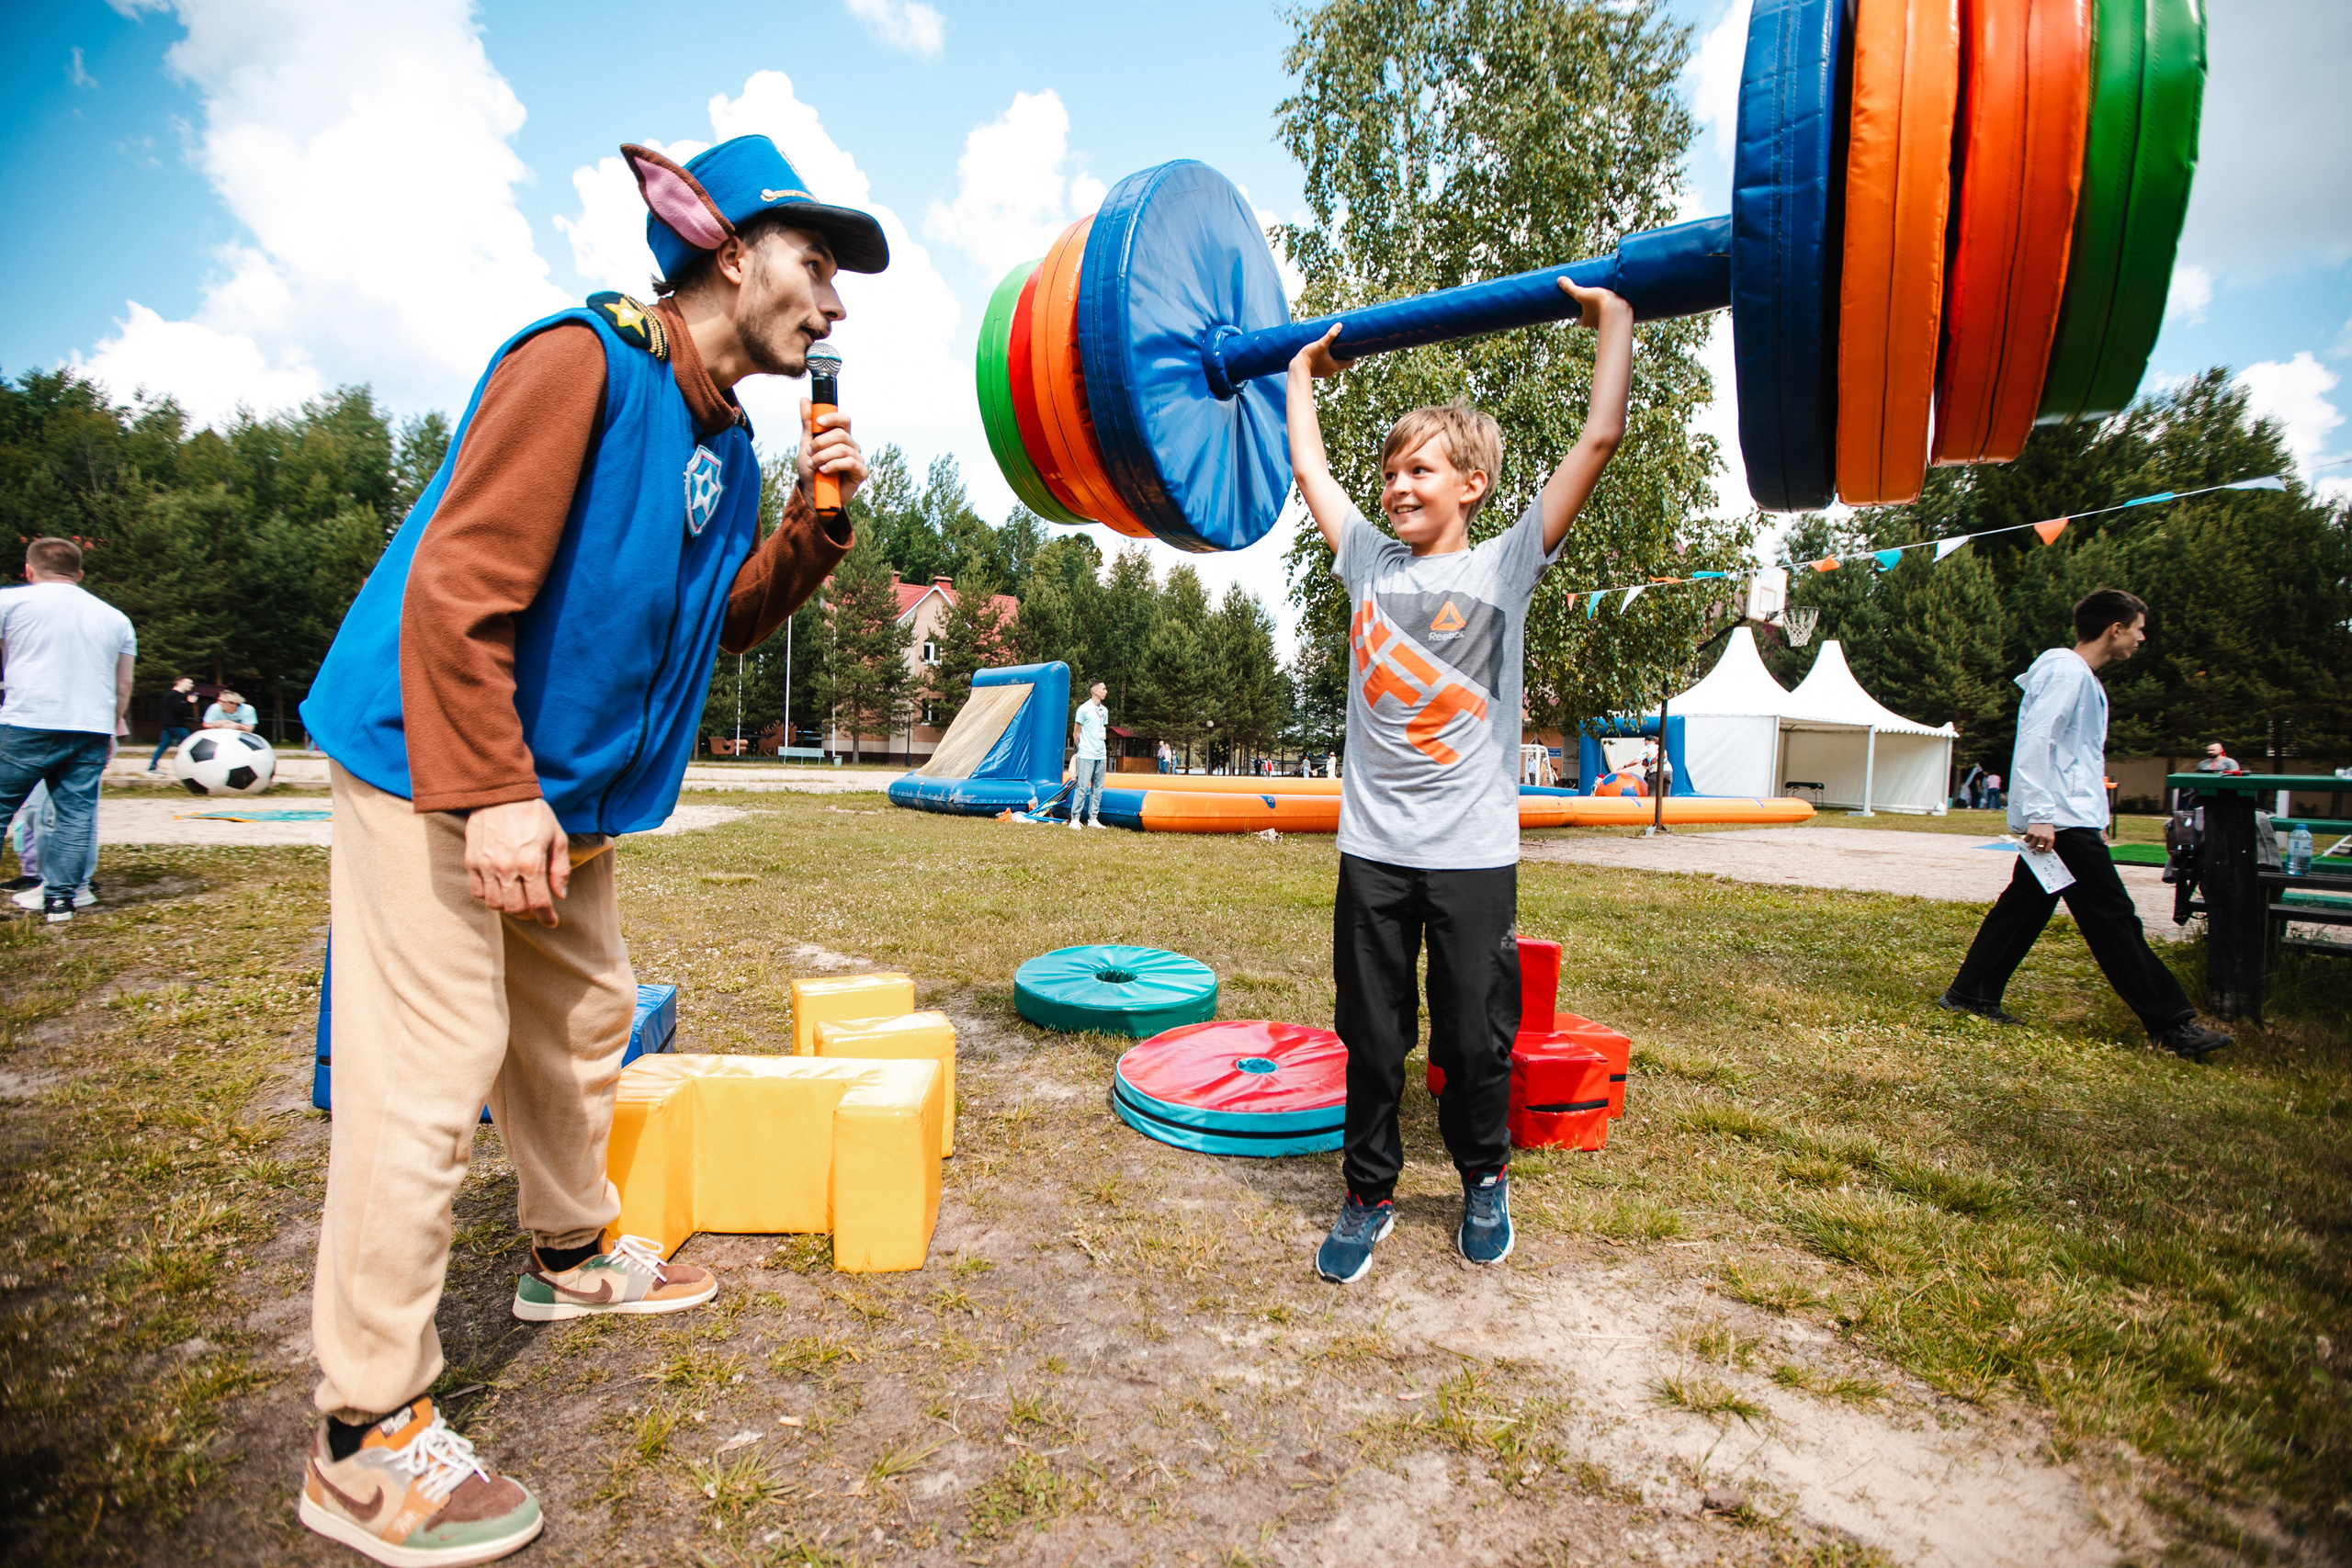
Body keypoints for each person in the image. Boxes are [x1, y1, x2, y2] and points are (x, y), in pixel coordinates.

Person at [291, 134, 883, 1565]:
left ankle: (568, 1256)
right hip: (438, 765)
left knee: (577, 1027)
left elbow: (711, 627)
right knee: (428, 1072)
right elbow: (455, 585)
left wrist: (812, 532)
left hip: (567, 799)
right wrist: (493, 788)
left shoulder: (725, 442)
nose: (836, 304)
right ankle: (363, 1437)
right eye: (817, 264)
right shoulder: (579, 362)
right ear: (729, 249)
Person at [1287, 274, 1632, 1283]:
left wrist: (1611, 321)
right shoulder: (1365, 562)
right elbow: (1307, 462)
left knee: (1477, 1044)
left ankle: (1483, 1177)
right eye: (1391, 471)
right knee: (1371, 1037)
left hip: (1474, 857)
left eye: (1421, 471)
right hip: (1375, 855)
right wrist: (1302, 372)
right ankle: (1367, 1195)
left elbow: (1596, 442)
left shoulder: (1504, 567)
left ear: (1471, 485)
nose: (1397, 487)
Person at [1938, 588, 2231, 1061]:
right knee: (2113, 919)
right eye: (2137, 629)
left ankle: (1971, 993)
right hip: (2062, 824)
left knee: (2023, 909)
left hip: (2066, 818)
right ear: (2115, 628)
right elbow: (2036, 739)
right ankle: (2171, 1023)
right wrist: (2040, 814)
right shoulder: (2064, 671)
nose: (2140, 639)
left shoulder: (2079, 676)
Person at [0, 537, 135, 923]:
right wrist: (110, 728)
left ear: (28, 570)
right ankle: (60, 900)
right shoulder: (115, 617)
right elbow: (123, 684)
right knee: (75, 817)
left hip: (27, 720)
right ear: (79, 574)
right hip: (90, 727)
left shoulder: (10, 602)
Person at [1069, 681, 1110, 830]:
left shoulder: (1104, 711)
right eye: (1103, 689)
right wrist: (1081, 750)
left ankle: (1093, 818)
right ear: (1095, 692)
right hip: (1086, 754)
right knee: (1082, 787)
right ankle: (1075, 818)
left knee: (1098, 788)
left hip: (1101, 754)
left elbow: (1101, 730)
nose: (1106, 691)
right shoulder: (1083, 709)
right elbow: (1076, 733)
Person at [151, 675, 201, 770]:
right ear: (180, 682)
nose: (192, 685)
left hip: (168, 725)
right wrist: (189, 702)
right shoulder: (175, 695)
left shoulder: (172, 695)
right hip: (176, 725)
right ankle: (193, 767)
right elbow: (178, 708)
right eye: (189, 683)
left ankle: (152, 767)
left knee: (164, 745)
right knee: (189, 744)